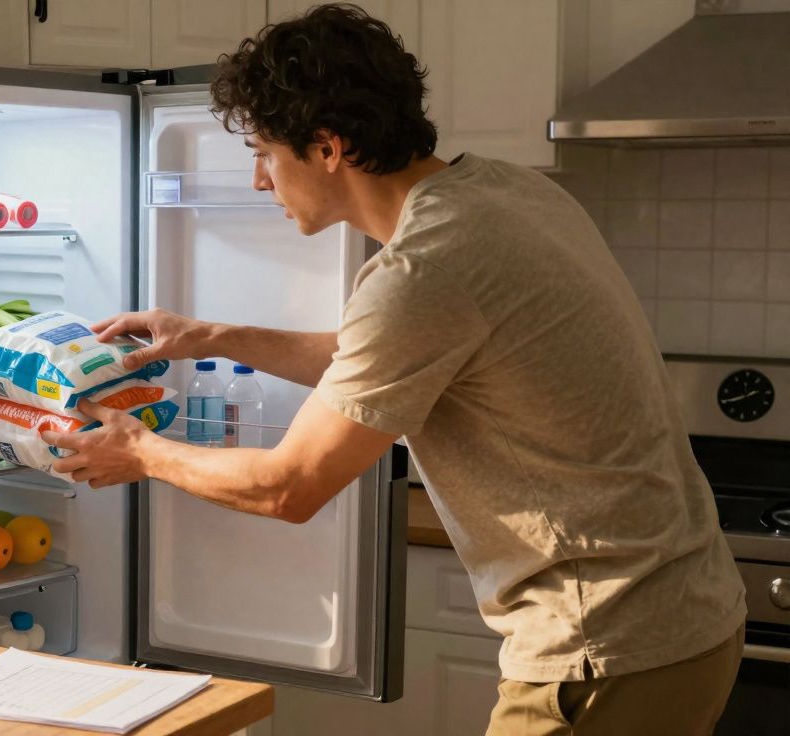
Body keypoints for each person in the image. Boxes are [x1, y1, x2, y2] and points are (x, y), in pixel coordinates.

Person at [41, 4, 747, 734]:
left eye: (265, 153)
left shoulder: (423, 270)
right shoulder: (505, 193)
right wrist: (210, 336)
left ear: (327, 148)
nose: (259, 181)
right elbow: (389, 361)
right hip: (689, 618)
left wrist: (140, 452)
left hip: (604, 649)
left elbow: (288, 488)